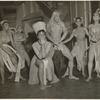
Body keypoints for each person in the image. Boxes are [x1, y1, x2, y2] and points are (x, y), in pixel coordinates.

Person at [47, 10, 79, 80]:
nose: (57, 17)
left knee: (71, 57)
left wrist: (60, 40)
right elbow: (47, 34)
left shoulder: (61, 23)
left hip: (60, 43)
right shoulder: (50, 24)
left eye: (58, 16)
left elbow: (66, 31)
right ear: (53, 16)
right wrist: (53, 41)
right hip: (52, 44)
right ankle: (50, 77)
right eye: (56, 16)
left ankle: (70, 75)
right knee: (48, 60)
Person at [28, 21, 59, 90]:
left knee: (50, 79)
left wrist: (43, 45)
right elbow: (40, 57)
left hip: (47, 58)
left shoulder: (48, 44)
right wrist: (42, 45)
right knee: (41, 65)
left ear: (45, 35)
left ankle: (46, 80)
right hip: (37, 59)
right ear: (37, 36)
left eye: (43, 34)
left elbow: (44, 56)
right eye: (40, 34)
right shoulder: (34, 44)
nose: (41, 36)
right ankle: (41, 84)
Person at [86, 8, 100, 81]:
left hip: (98, 44)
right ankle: (89, 76)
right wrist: (89, 44)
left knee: (98, 60)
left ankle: (98, 73)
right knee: (90, 60)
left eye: (96, 15)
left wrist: (97, 39)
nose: (95, 17)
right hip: (92, 44)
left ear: (99, 17)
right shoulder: (90, 26)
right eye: (94, 15)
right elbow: (89, 36)